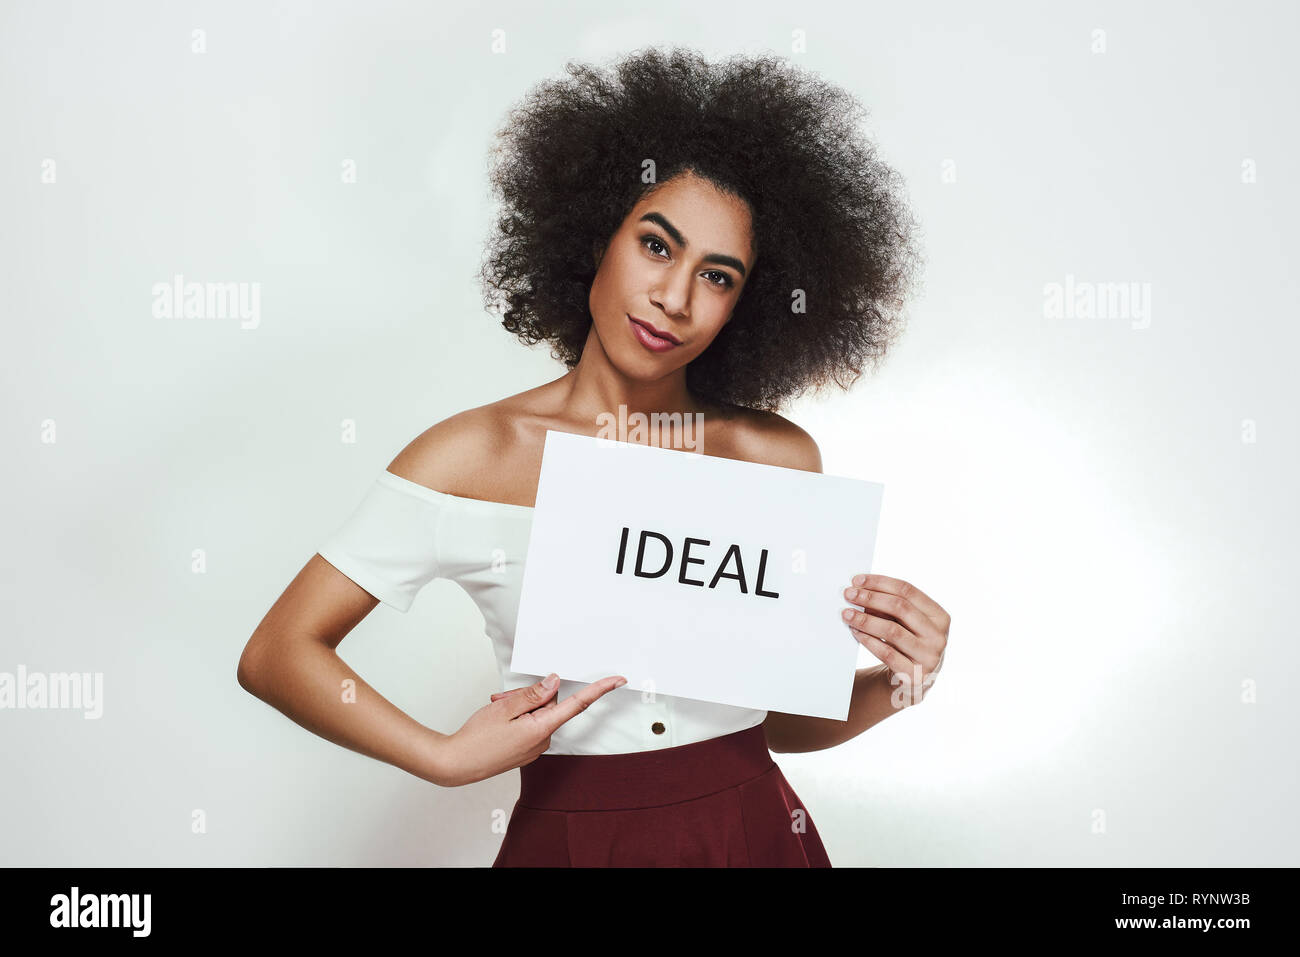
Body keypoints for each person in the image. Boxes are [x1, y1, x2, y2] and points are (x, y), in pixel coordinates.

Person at [236, 46, 950, 867]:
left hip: (753, 833)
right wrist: (438, 755)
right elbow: (278, 652)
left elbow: (775, 722)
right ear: (593, 236)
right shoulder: (471, 455)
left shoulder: (774, 457)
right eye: (656, 245)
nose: (675, 298)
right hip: (573, 842)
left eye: (717, 276)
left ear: (746, 304)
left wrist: (900, 680)